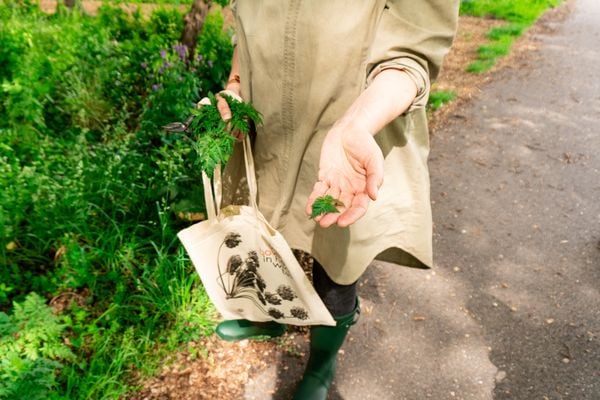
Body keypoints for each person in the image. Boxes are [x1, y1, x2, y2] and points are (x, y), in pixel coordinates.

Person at [213, 1, 459, 398]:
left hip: (345, 140)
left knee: (335, 266)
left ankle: (321, 365)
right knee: (265, 230)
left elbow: (411, 58)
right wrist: (235, 85)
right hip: (268, 126)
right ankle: (268, 313)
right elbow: (246, 21)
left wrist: (356, 123)